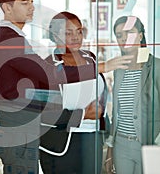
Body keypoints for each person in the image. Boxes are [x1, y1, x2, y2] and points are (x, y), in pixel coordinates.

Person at [0, 0, 133, 174]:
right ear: (6, 7)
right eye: (25, 3)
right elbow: (46, 76)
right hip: (24, 132)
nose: (32, 7)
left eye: (32, 1)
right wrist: (102, 67)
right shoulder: (10, 39)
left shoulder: (16, 37)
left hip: (37, 132)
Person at [39, 11, 109, 174]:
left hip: (92, 139)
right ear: (56, 36)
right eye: (68, 33)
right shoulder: (48, 66)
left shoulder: (90, 58)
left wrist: (100, 109)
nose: (76, 37)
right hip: (62, 145)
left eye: (79, 31)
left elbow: (101, 88)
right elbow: (46, 114)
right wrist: (84, 114)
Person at [104, 16, 160, 174]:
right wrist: (111, 147)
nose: (124, 38)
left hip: (149, 144)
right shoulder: (118, 70)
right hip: (121, 145)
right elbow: (116, 113)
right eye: (119, 35)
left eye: (129, 33)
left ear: (140, 35)